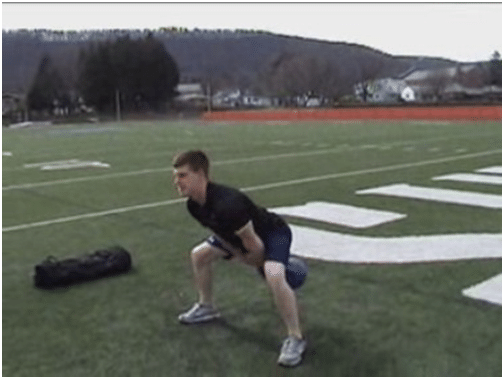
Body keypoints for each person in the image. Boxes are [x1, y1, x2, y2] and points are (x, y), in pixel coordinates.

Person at [172, 150, 307, 367]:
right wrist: (234, 253)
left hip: (272, 233)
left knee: (273, 274)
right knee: (199, 255)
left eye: (182, 175)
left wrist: (252, 261)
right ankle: (206, 307)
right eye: (176, 176)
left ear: (200, 174)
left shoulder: (228, 204)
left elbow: (255, 249)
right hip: (237, 237)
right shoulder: (193, 204)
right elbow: (219, 233)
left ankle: (295, 338)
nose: (176, 182)